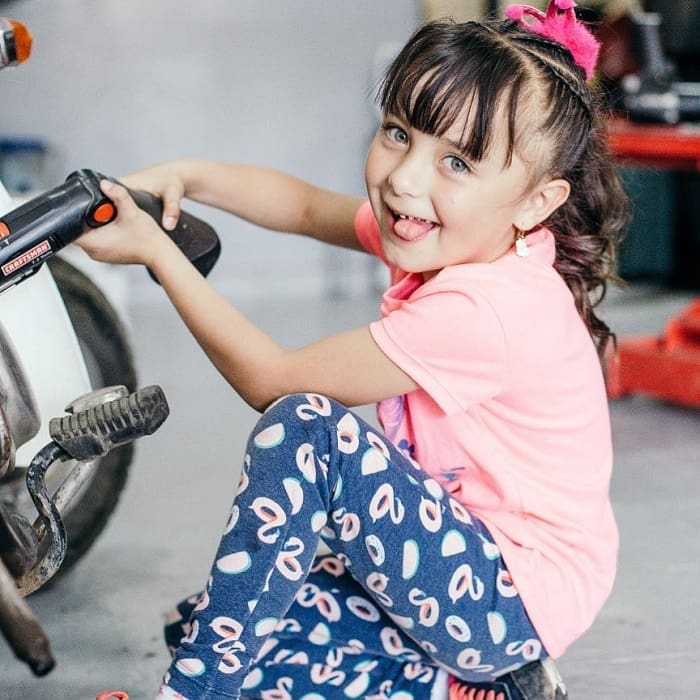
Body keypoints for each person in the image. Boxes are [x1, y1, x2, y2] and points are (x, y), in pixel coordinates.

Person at [85, 1, 628, 698]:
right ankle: (475, 685)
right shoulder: (458, 236)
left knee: (306, 429)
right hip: (464, 562)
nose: (407, 178)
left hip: (509, 597)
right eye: (399, 132)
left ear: (535, 202)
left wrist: (159, 254)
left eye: (457, 161)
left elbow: (271, 381)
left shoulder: (483, 307)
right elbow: (308, 207)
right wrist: (191, 175)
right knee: (211, 625)